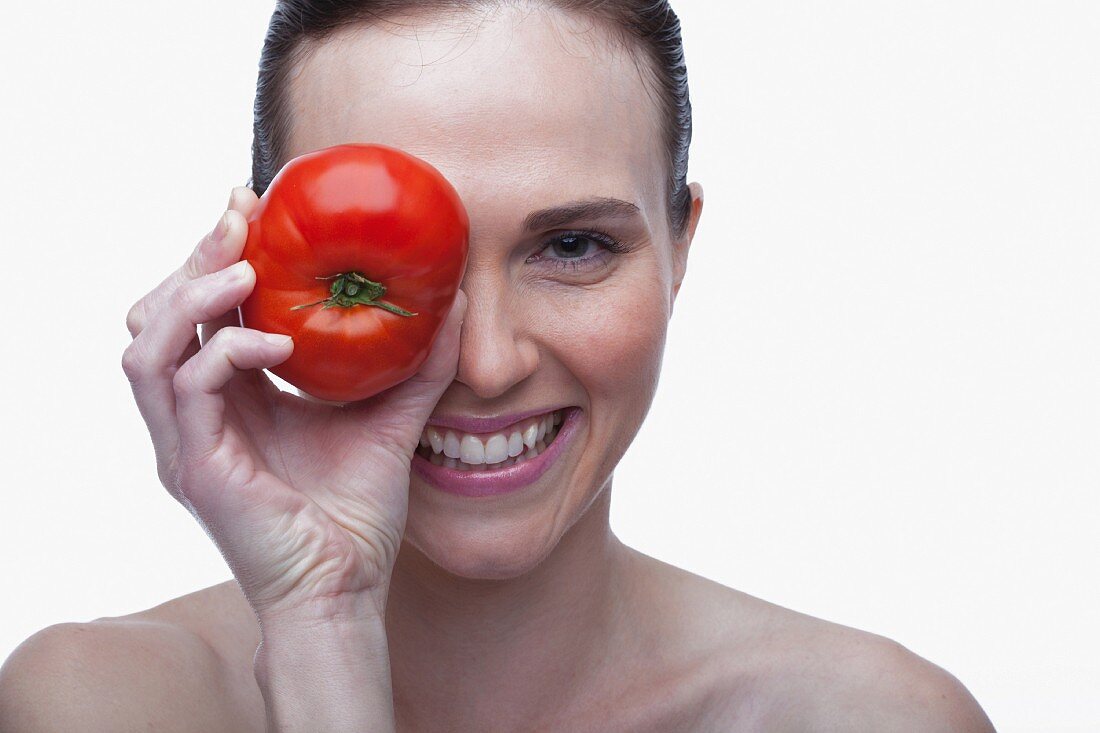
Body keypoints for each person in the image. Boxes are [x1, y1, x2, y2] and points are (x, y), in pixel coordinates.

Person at [0, 2, 996, 730]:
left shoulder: (873, 718)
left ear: (679, 244)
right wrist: (322, 628)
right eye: (381, 265)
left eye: (571, 248)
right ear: (250, 264)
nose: (482, 362)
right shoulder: (96, 706)